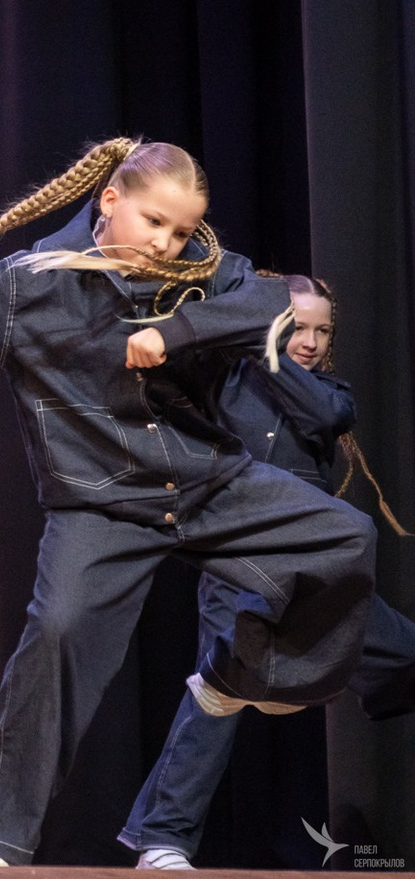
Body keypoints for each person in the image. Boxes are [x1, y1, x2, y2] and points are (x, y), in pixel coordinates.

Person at [0, 138, 376, 866]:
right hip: (103, 507)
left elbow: (269, 303)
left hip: (210, 483)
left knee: (345, 537)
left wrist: (175, 331)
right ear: (110, 201)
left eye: (180, 230)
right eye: (153, 222)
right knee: (58, 634)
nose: (165, 243)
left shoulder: (201, 268)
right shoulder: (30, 286)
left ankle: (236, 676)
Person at [120, 275, 415, 869]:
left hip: (319, 566)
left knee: (405, 653)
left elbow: (324, 415)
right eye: (295, 327)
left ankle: (293, 681)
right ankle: (162, 839)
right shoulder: (224, 382)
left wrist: (267, 349)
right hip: (243, 560)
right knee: (219, 696)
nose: (310, 341)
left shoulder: (330, 392)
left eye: (321, 330)